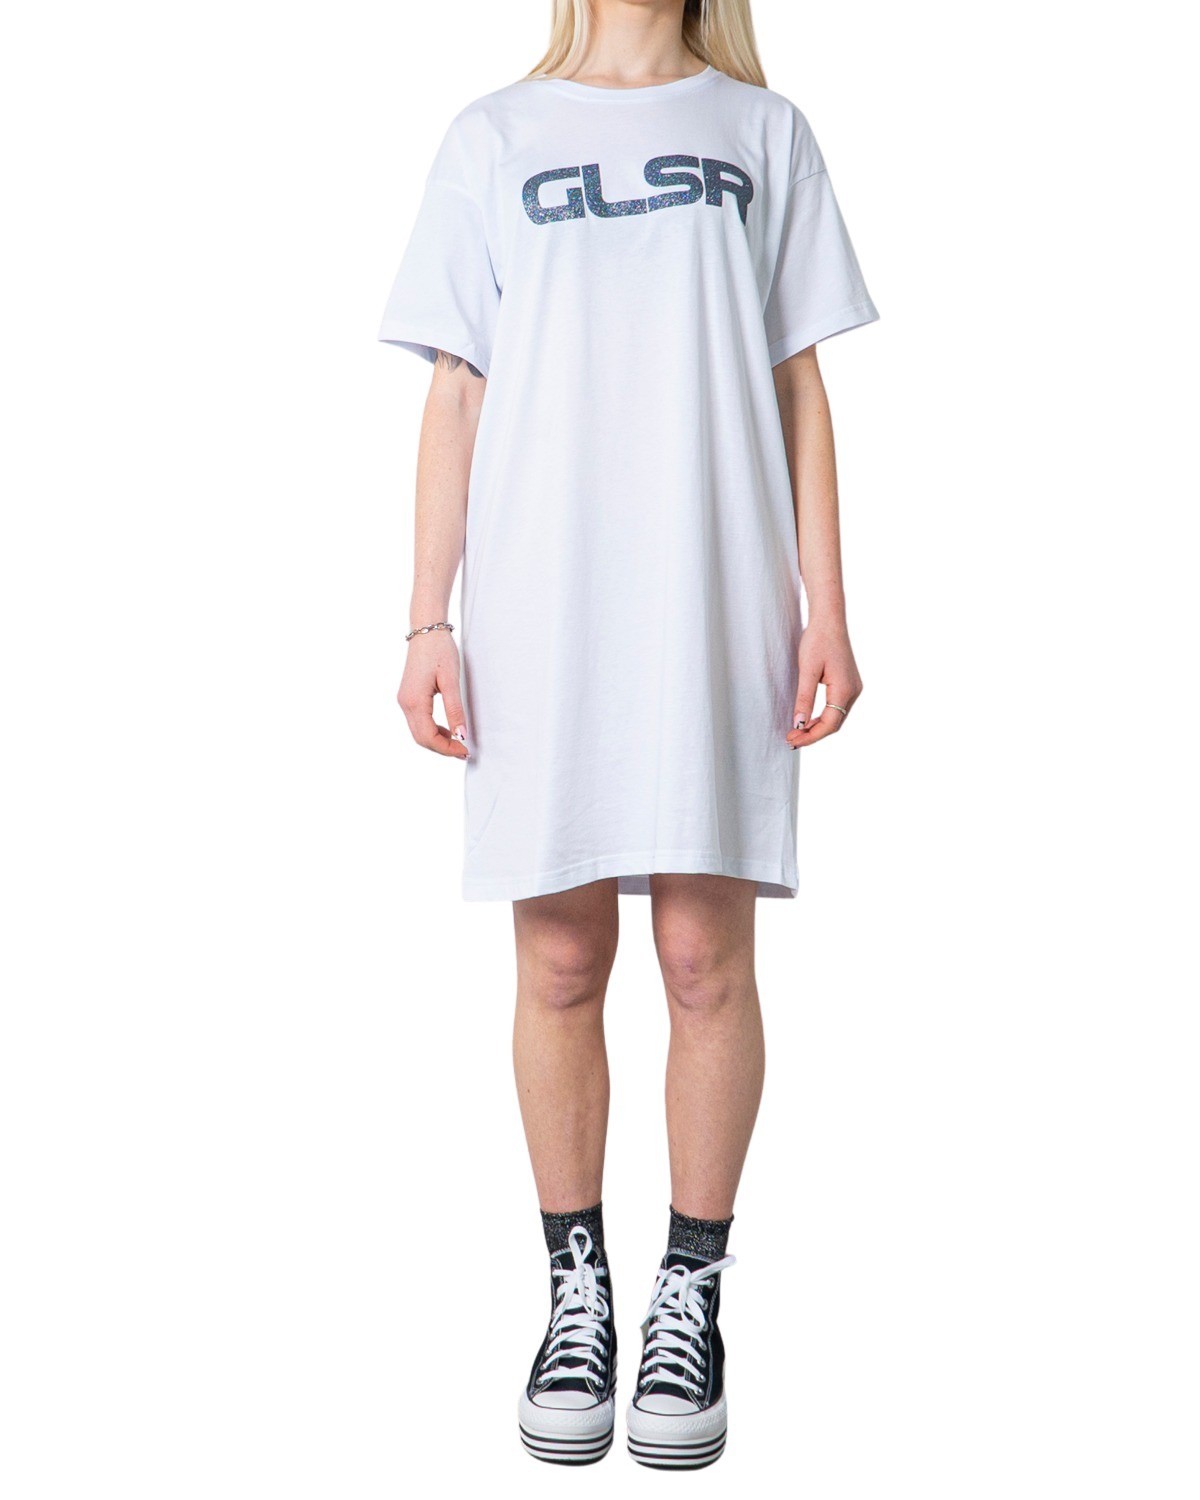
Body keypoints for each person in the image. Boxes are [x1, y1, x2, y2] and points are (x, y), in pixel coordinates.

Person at [377, 0, 877, 1470]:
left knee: (704, 958)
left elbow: (798, 382)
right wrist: (425, 619)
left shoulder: (763, 132)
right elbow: (456, 389)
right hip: (541, 597)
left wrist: (829, 605)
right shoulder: (493, 137)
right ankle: (576, 1291)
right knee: (558, 959)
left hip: (715, 591)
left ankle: (691, 1294)